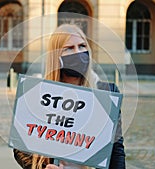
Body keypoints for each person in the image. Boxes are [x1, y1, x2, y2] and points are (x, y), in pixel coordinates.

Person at [13, 24, 125, 169]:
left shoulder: (107, 93)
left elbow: (116, 149)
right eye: (69, 48)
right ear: (56, 56)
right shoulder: (38, 94)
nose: (78, 52)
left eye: (82, 46)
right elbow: (20, 148)